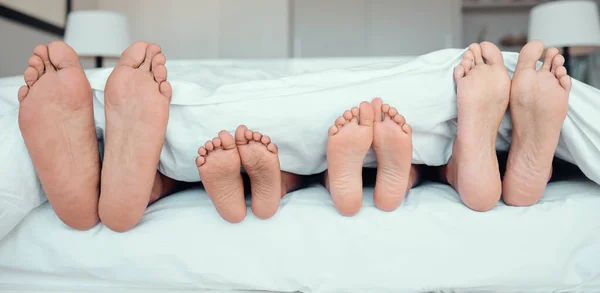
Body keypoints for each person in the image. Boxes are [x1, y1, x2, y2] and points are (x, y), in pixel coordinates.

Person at [16, 40, 570, 232]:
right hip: (407, 160)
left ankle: (141, 188)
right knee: (388, 145)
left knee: (278, 156)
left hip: (254, 154)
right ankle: (473, 169)